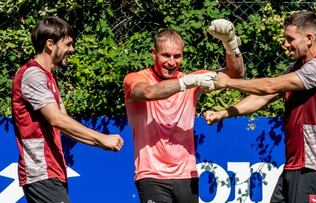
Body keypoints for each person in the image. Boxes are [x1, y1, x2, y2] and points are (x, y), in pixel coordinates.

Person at [204, 11, 316, 203]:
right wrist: (223, 113)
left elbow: (269, 85)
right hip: (293, 168)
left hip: (313, 169)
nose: (285, 44)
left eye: (290, 38)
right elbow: (263, 96)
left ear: (309, 38)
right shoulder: (297, 68)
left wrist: (227, 82)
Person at [124, 19, 245, 203]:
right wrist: (186, 83)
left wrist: (230, 44)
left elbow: (235, 75)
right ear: (154, 54)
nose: (172, 62)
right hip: (151, 175)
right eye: (166, 55)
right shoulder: (136, 78)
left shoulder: (192, 80)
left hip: (187, 175)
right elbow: (147, 92)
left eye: (177, 56)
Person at [11, 16, 124, 203]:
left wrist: (100, 144)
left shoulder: (48, 77)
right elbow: (57, 119)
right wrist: (101, 137)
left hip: (52, 171)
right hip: (41, 172)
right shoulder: (32, 75)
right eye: (68, 44)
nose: (72, 50)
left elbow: (62, 123)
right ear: (50, 44)